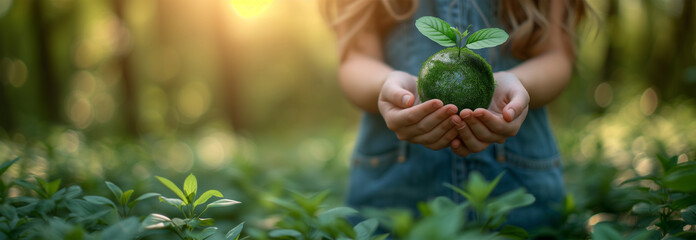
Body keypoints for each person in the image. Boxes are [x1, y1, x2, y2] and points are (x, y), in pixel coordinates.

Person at [320, 0, 589, 230]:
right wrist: (386, 84)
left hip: (519, 184)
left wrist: (517, 83)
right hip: (394, 189)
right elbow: (354, 61)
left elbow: (557, 57)